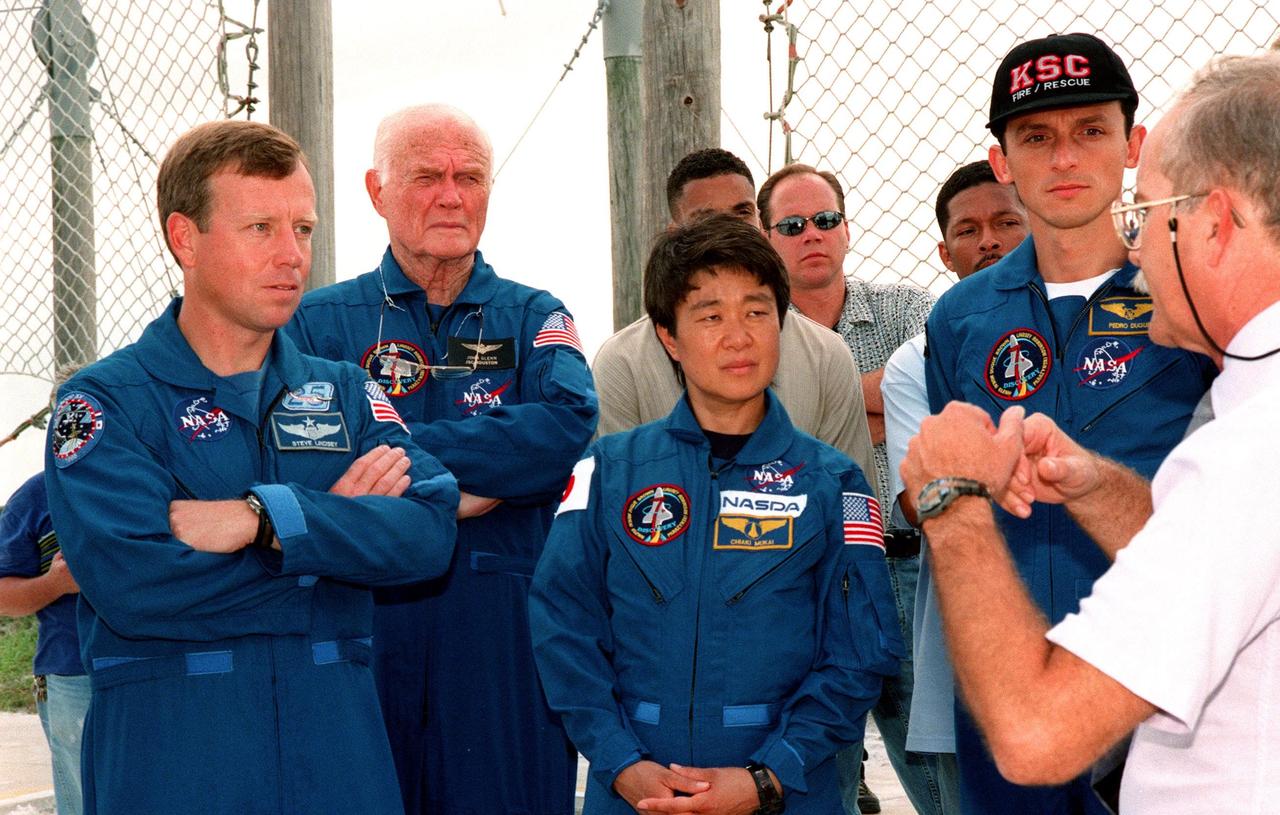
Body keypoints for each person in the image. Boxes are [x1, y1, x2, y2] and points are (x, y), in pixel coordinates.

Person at [42, 120, 460, 814]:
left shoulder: (345, 391)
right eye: (261, 228)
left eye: (303, 228)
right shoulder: (106, 404)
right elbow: (134, 584)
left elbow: (430, 534)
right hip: (176, 770)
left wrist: (264, 519)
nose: (291, 255)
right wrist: (332, 552)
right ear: (186, 238)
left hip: (339, 768)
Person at [902, 51, 1280, 814]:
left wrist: (950, 498)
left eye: (1150, 213)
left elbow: (1038, 731)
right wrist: (1095, 482)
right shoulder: (962, 316)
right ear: (1002, 160)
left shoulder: (1235, 423)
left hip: (1117, 696)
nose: (1066, 158)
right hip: (1028, 679)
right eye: (1037, 137)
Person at [530, 214, 902, 814]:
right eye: (710, 316)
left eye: (756, 312)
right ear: (669, 337)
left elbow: (861, 654)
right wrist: (621, 763)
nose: (738, 337)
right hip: (636, 793)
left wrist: (767, 778)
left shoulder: (834, 484)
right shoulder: (607, 472)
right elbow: (561, 625)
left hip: (786, 793)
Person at [286, 104, 597, 815]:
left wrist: (397, 466)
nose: (452, 196)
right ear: (377, 191)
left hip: (502, 635)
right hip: (361, 622)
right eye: (428, 176)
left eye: (470, 177)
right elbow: (302, 459)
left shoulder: (535, 316)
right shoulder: (315, 323)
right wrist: (468, 484)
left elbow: (567, 424)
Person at [758, 162, 940, 814]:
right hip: (798, 576)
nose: (812, 234)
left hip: (908, 563)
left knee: (936, 768)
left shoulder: (907, 307)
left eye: (825, 219)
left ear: (846, 229)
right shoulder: (753, 328)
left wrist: (820, 405)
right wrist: (889, 402)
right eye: (792, 225)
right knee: (817, 774)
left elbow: (937, 394)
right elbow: (756, 427)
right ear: (765, 237)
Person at [593, 147, 878, 488]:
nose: (727, 228)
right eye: (706, 217)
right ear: (675, 233)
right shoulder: (621, 363)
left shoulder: (827, 354)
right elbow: (620, 499)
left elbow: (851, 497)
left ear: (761, 224)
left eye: (741, 212)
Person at [883, 160, 1028, 812]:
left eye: (1006, 223)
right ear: (945, 253)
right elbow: (921, 499)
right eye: (968, 230)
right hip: (966, 633)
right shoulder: (916, 360)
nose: (989, 241)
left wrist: (973, 467)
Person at [1, 382, 88, 815]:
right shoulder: (34, 497)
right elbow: (3, 597)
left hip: (157, 665)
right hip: (73, 674)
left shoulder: (156, 486)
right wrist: (55, 584)